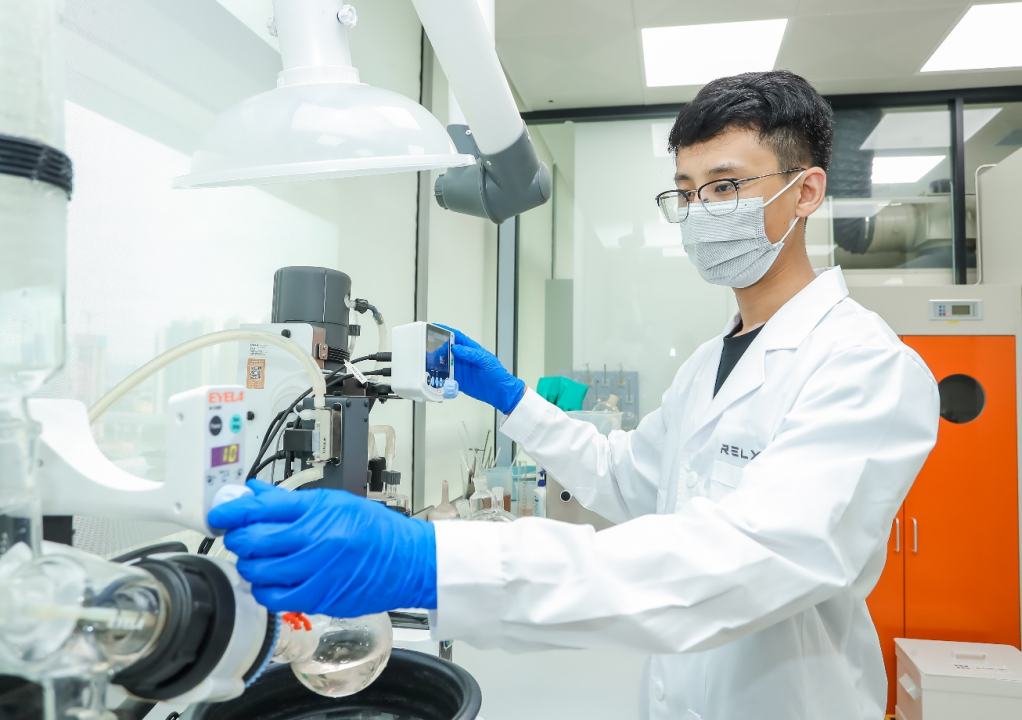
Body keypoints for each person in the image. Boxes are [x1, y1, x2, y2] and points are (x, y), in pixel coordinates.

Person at [210, 70, 940, 720]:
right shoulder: (710, 363)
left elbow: (746, 558)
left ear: (805, 190)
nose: (699, 212)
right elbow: (628, 478)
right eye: (685, 192)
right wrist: (512, 399)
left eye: (724, 187)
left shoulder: (865, 366)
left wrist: (433, 561)